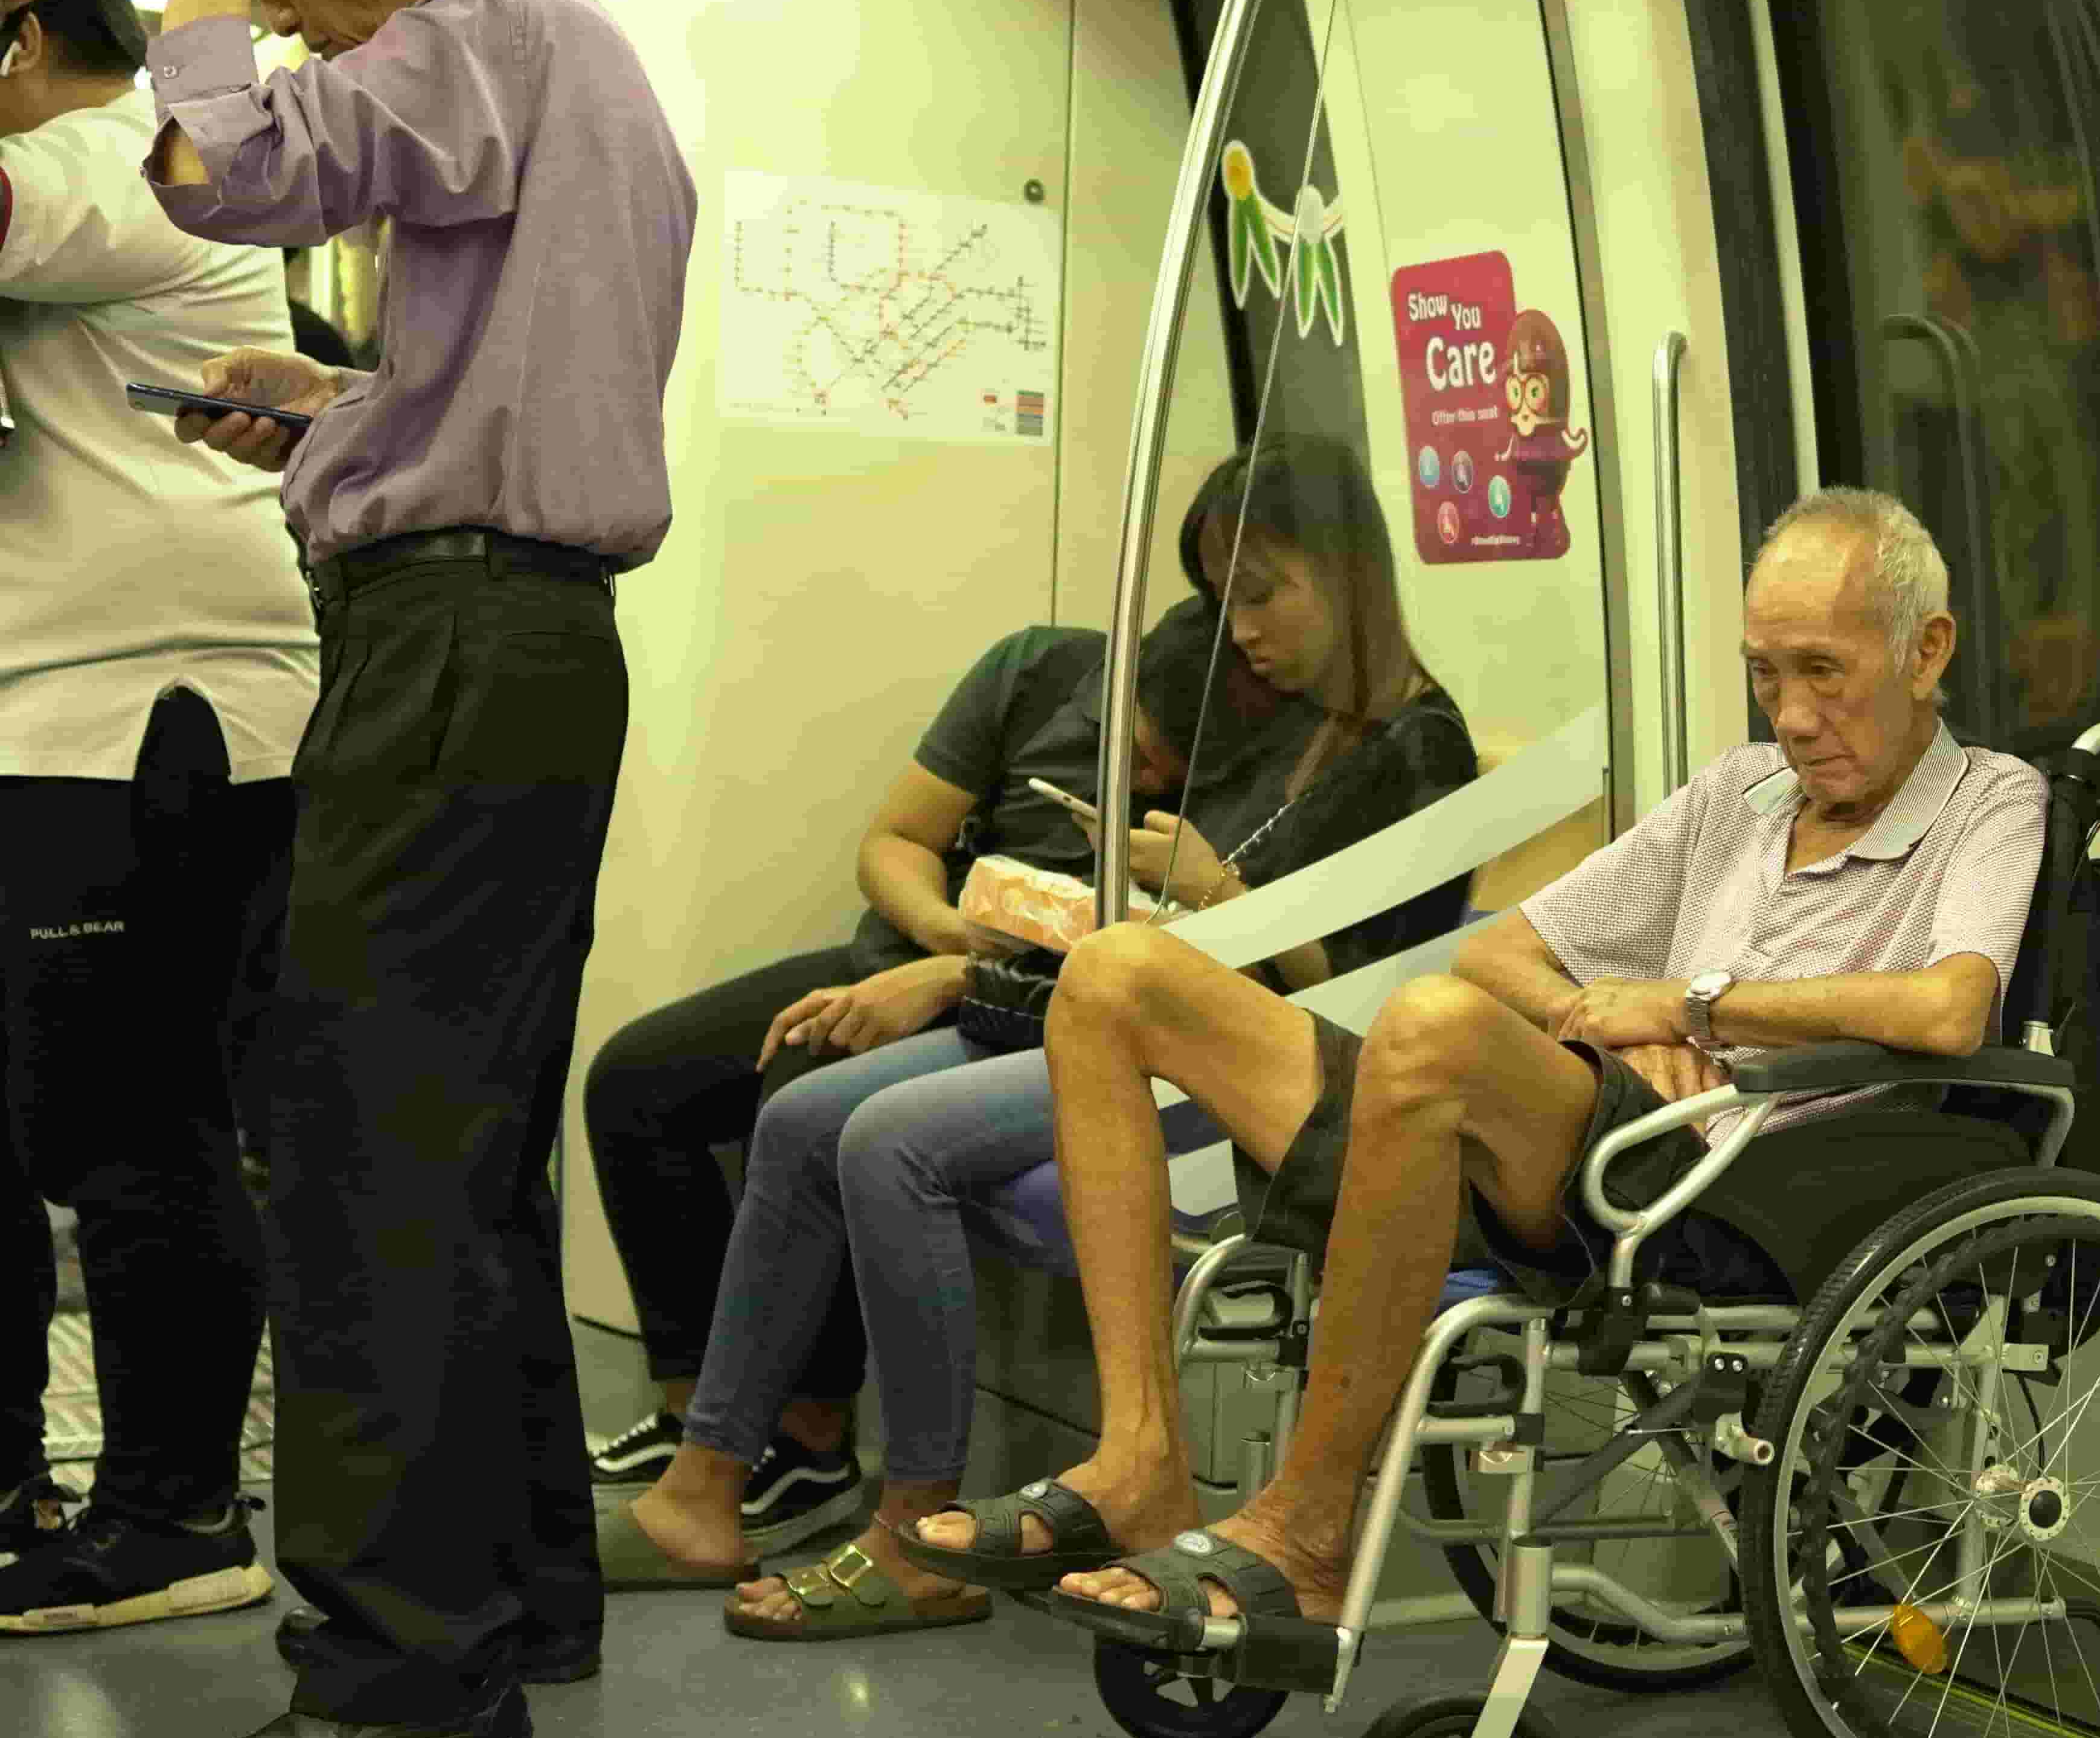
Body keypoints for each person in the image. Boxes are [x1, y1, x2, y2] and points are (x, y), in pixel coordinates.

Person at [905, 489, 2041, 1658]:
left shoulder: (1990, 799)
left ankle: (1308, 1528)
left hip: (1723, 1179)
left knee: (1437, 1023)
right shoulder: (1736, 792)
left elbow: (1951, 1006)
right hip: (1572, 1125)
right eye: (1766, 675)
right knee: (1114, 975)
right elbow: (1506, 950)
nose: (1794, 716)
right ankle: (1140, 1456)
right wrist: (1587, 1014)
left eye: (1825, 670)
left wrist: (1687, 1003)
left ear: (1928, 647)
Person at [138, 0, 696, 1738]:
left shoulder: (491, 25)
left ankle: (399, 1671)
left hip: (455, 645)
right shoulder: (577, 60)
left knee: (365, 1143)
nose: (285, 35)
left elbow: (227, 169)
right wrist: (338, 407)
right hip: (524, 646)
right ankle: (515, 1595)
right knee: (462, 1148)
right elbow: (507, 395)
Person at [612, 437, 1481, 1642]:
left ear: (1347, 572)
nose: (1243, 626)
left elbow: (1364, 998)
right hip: (1147, 1016)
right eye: (1224, 592)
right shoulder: (1295, 720)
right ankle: (706, 1479)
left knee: (884, 1141)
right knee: (803, 1114)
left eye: (1266, 588)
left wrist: (1217, 890)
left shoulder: (1418, 749)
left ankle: (917, 1519)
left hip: (1252, 1070)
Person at [0, 0, 312, 1634]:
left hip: (153, 703)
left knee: (135, 1124)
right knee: (88, 1115)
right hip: (78, 697)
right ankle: (134, 1498)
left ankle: (179, 1516)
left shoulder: (124, 155)